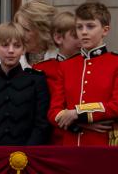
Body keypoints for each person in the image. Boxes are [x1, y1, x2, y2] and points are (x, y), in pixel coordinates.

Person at [48, 2, 118, 146]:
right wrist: (80, 124)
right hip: (72, 142)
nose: (84, 32)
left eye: (90, 26)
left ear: (105, 30)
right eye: (79, 27)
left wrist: (77, 112)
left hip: (103, 143)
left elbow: (117, 106)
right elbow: (54, 111)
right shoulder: (66, 66)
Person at [0, 22, 50, 146]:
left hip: (27, 157)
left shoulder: (36, 81)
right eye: (5, 45)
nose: (11, 50)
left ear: (23, 49)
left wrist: (25, 154)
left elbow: (42, 125)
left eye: (17, 46)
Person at [32, 11, 81, 144]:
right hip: (51, 139)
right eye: (76, 35)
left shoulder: (90, 67)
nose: (83, 39)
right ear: (58, 38)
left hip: (83, 137)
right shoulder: (41, 70)